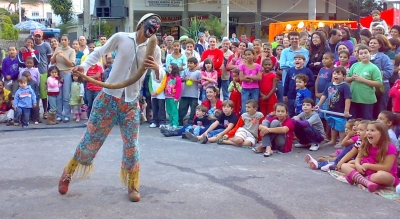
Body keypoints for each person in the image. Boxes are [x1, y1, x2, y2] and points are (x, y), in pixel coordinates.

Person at [57, 13, 164, 202]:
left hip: (131, 103)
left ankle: (132, 184)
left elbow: (159, 76)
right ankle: (68, 173)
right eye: (151, 24)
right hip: (107, 99)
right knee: (91, 140)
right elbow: (99, 52)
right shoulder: (121, 37)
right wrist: (84, 66)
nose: (153, 28)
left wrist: (156, 67)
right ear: (141, 24)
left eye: (156, 27)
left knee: (132, 145)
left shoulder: (153, 48)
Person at [342, 121, 398, 192]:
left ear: (382, 134)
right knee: (345, 166)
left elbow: (387, 167)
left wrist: (368, 166)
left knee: (380, 176)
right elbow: (358, 158)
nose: (368, 132)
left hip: (385, 173)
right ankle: (367, 182)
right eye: (367, 130)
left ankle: (356, 178)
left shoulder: (390, 147)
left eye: (372, 130)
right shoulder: (365, 143)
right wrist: (358, 165)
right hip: (366, 170)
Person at [316, 66, 351, 148]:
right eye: (334, 74)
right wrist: (318, 105)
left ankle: (341, 141)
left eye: (338, 74)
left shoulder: (345, 86)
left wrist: (346, 111)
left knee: (341, 127)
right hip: (330, 110)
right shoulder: (329, 85)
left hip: (340, 111)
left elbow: (347, 99)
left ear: (344, 76)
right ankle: (333, 140)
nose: (336, 76)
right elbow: (324, 96)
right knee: (333, 126)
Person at [346, 45, 383, 120]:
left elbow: (379, 84)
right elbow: (347, 79)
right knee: (353, 120)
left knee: (366, 120)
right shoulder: (355, 65)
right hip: (354, 98)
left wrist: (363, 80)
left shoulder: (374, 68)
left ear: (370, 53)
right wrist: (352, 78)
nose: (363, 55)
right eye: (361, 53)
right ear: (358, 55)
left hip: (367, 100)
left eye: (365, 53)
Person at [51, 35, 76, 123]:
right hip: (57, 74)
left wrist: (63, 56)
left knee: (66, 96)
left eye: (65, 40)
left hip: (66, 74)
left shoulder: (71, 50)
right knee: (58, 96)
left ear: (68, 41)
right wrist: (56, 54)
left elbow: (72, 64)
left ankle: (67, 115)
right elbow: (52, 61)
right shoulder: (58, 49)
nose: (63, 41)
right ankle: (59, 115)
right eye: (62, 40)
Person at [178, 57, 201, 126]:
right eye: (188, 63)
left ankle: (191, 123)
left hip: (193, 95)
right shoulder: (185, 71)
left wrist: (195, 80)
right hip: (184, 94)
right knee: (182, 109)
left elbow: (201, 81)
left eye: (191, 63)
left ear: (195, 64)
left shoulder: (198, 73)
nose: (189, 64)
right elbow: (180, 79)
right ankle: (179, 122)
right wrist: (185, 79)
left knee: (193, 110)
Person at [239, 48, 262, 114]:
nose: (247, 56)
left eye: (249, 54)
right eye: (246, 55)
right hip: (245, 89)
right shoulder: (242, 66)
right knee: (244, 106)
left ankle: (254, 121)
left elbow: (259, 78)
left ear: (253, 55)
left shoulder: (258, 66)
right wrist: (254, 78)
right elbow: (241, 78)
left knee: (254, 105)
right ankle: (244, 120)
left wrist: (248, 76)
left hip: (255, 88)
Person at [164, 63, 182, 130]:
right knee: (169, 110)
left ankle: (175, 124)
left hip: (173, 97)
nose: (169, 69)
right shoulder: (167, 77)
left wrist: (176, 97)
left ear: (174, 69)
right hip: (167, 96)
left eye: (170, 67)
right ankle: (171, 122)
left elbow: (179, 89)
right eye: (168, 67)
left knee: (174, 111)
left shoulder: (178, 78)